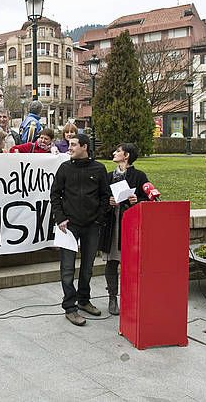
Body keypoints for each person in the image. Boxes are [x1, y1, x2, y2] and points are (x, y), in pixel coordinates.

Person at [50, 134, 110, 326]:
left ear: (85, 147)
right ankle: (70, 307)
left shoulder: (99, 169)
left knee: (87, 268)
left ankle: (84, 300)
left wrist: (99, 218)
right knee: (67, 269)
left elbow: (104, 196)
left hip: (92, 225)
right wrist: (60, 218)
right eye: (69, 144)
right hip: (69, 226)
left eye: (74, 145)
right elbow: (55, 195)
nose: (70, 148)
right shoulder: (65, 168)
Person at [99, 143, 150, 315]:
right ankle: (112, 298)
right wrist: (108, 202)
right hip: (112, 225)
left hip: (130, 227)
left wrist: (138, 200)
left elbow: (149, 198)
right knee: (112, 262)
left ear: (126, 155)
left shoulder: (139, 176)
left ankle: (130, 298)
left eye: (118, 151)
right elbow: (100, 198)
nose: (114, 153)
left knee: (131, 265)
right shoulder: (107, 176)